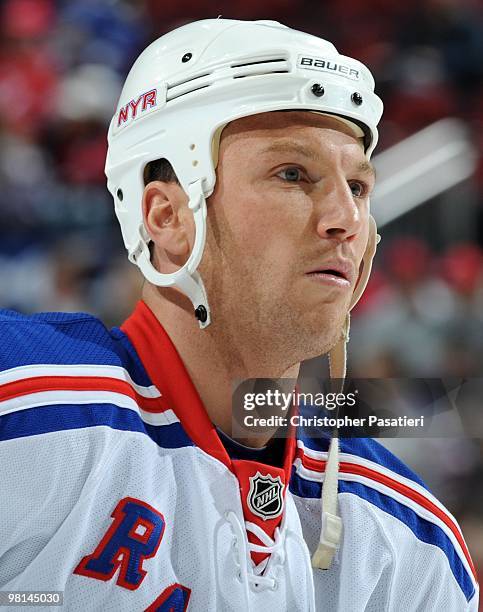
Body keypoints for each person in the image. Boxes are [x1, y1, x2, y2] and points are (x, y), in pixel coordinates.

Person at [0, 18, 478, 612]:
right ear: (167, 217)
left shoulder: (409, 543)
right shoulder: (24, 412)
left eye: (357, 186)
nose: (347, 220)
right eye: (293, 174)